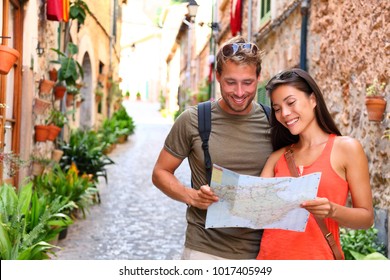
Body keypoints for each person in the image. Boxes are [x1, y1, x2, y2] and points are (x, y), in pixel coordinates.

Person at [152, 35, 273, 260]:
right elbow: (160, 172)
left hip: (262, 251)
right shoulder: (193, 120)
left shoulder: (273, 122)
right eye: (230, 82)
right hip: (204, 249)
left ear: (258, 77)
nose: (239, 92)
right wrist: (190, 196)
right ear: (217, 76)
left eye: (247, 82)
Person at [256, 68, 374, 260]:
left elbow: (367, 218)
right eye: (277, 109)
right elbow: (258, 212)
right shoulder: (276, 157)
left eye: (291, 103)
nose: (284, 113)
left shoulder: (347, 149)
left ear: (313, 100)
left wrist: (332, 210)